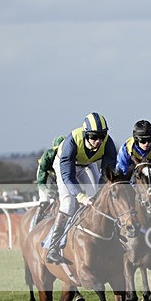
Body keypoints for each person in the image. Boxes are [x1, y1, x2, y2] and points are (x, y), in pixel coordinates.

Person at [46, 112, 117, 264]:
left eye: (101, 136)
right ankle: (53, 246)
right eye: (93, 137)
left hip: (87, 164)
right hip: (65, 166)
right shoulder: (71, 142)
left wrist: (99, 193)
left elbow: (106, 174)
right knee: (69, 203)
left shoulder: (108, 144)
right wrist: (80, 196)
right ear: (85, 135)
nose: (98, 141)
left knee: (96, 199)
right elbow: (68, 177)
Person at [32, 135, 65, 224]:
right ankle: (35, 225)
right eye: (59, 151)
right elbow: (41, 182)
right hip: (47, 175)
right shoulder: (47, 159)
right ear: (55, 150)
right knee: (45, 200)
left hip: (59, 176)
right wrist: (47, 191)